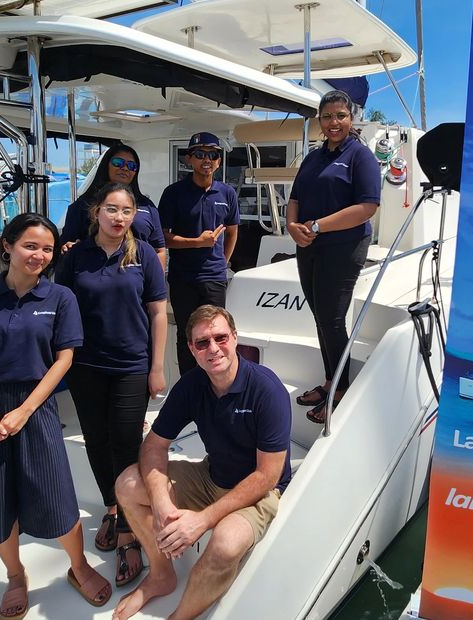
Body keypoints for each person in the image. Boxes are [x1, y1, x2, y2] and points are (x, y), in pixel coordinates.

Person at [0, 213, 112, 618]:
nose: (39, 255)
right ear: (8, 246)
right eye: (30, 246)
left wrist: (26, 409)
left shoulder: (59, 299)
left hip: (35, 406)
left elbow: (64, 358)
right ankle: (15, 576)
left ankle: (79, 565)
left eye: (47, 249)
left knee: (55, 495)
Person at [112, 305, 291, 620]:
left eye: (220, 337)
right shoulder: (193, 385)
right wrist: (161, 503)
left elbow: (268, 475)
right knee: (127, 484)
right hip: (212, 477)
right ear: (192, 350)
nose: (214, 348)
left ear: (235, 338)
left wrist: (201, 521)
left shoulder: (266, 389)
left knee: (224, 543)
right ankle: (161, 576)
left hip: (260, 494)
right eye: (203, 343)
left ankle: (180, 617)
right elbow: (154, 445)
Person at [56, 182, 169, 588]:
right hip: (86, 366)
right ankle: (111, 504)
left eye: (126, 211)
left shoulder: (144, 258)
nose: (119, 218)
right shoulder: (76, 257)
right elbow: (59, 306)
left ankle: (127, 526)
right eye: (111, 209)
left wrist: (156, 367)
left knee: (125, 444)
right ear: (96, 213)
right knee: (96, 441)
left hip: (130, 367)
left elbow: (158, 312)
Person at [286, 90, 382, 424]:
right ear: (319, 121)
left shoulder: (360, 157)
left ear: (351, 118)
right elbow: (295, 196)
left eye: (340, 115)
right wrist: (291, 225)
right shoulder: (313, 157)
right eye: (327, 117)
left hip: (344, 246)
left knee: (332, 318)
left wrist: (315, 226)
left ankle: (340, 391)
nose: (333, 122)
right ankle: (330, 380)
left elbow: (367, 207)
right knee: (320, 316)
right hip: (309, 245)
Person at [159, 132, 239, 375]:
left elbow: (232, 232)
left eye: (213, 155)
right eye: (200, 154)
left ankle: (215, 380)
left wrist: (221, 264)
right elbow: (162, 237)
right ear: (189, 159)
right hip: (183, 278)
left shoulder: (227, 193)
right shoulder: (173, 193)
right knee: (188, 335)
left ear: (219, 161)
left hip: (214, 278)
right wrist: (197, 242)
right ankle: (189, 385)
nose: (207, 159)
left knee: (216, 333)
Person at [62, 144, 167, 268]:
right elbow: (66, 245)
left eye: (131, 166)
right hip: (93, 274)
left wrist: (157, 283)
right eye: (118, 162)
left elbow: (159, 250)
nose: (125, 168)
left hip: (138, 280)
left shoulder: (147, 206)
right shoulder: (83, 205)